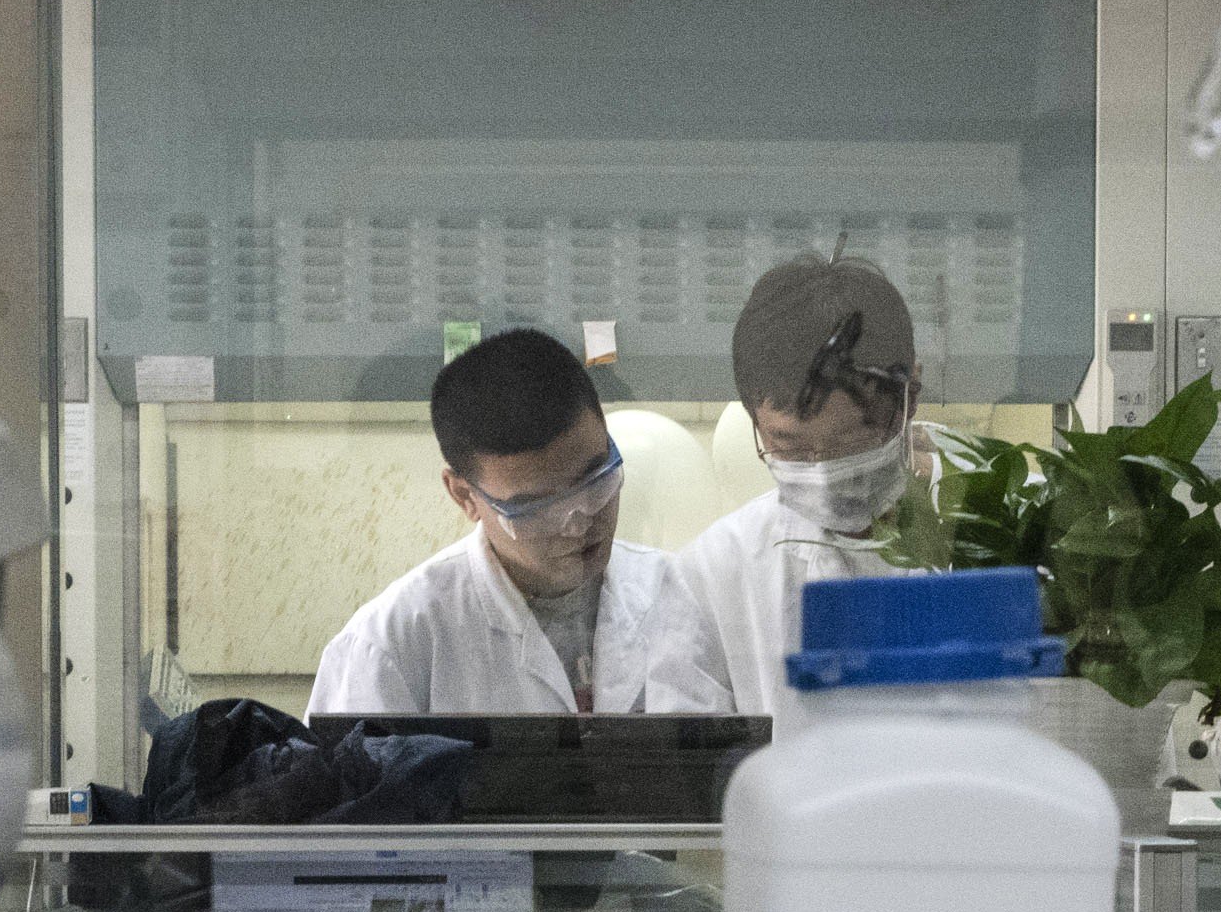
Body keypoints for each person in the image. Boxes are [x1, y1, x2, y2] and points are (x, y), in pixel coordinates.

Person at [309, 330, 733, 719]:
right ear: (464, 496)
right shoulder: (391, 648)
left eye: (594, 479)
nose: (577, 521)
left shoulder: (683, 597)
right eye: (538, 507)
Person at [673, 258, 934, 721]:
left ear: (909, 396)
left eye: (851, 441)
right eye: (788, 445)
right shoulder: (714, 572)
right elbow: (686, 771)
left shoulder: (1012, 532)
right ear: (754, 420)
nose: (823, 472)